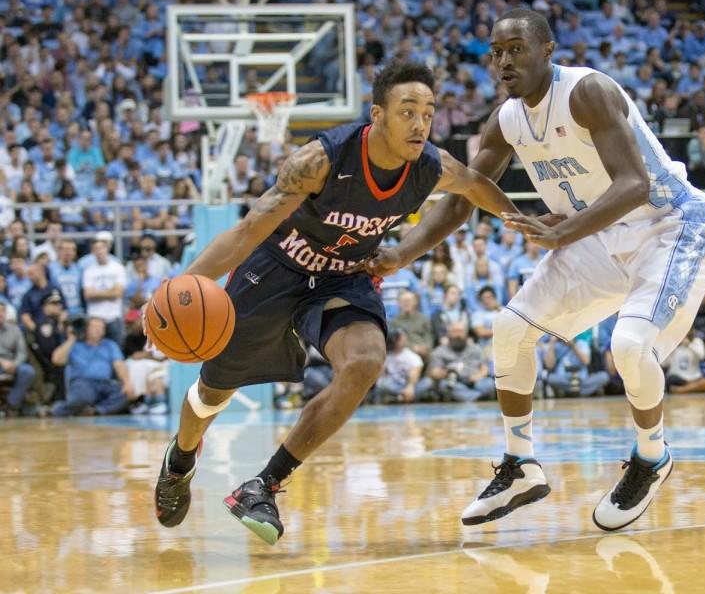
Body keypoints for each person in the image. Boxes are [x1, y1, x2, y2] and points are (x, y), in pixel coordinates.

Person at [361, 10, 705, 531]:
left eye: (516, 49)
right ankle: (520, 464)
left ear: (547, 51)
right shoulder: (505, 119)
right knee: (509, 330)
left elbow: (633, 185)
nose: (504, 60)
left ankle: (652, 456)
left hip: (669, 227)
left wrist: (562, 233)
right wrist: (401, 254)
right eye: (496, 52)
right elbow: (462, 199)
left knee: (629, 346)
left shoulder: (586, 92)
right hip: (597, 236)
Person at [150, 60, 519, 545]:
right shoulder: (319, 160)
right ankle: (180, 460)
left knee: (366, 360)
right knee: (213, 393)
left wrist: (529, 223)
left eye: (428, 114)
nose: (420, 124)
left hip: (343, 277)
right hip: (276, 268)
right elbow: (245, 233)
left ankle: (263, 485)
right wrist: (177, 289)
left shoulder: (430, 164)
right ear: (377, 115)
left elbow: (472, 190)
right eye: (407, 112)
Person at [50, 317, 132, 416]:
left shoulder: (110, 345)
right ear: (86, 329)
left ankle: (95, 411)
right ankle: (56, 410)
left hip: (105, 383)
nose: (98, 330)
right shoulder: (75, 345)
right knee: (83, 397)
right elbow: (56, 360)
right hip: (83, 382)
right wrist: (71, 340)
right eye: (94, 327)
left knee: (126, 394)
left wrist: (127, 383)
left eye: (102, 327)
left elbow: (119, 364)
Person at [414, 320, 494, 402]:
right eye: (454, 332)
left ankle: (468, 397)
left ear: (466, 334)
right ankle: (477, 398)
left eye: (460, 332)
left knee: (489, 384)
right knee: (444, 385)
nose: (457, 335)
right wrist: (447, 373)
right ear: (448, 334)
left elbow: (484, 369)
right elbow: (434, 372)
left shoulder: (476, 349)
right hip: (454, 383)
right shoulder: (440, 351)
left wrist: (477, 377)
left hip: (474, 381)